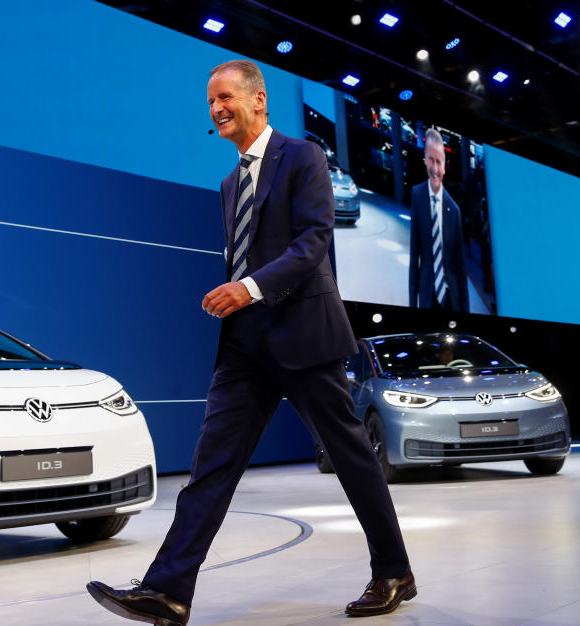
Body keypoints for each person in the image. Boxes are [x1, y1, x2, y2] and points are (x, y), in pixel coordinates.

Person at [86, 60, 414, 625]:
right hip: (244, 346)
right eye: (209, 103)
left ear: (258, 100)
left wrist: (249, 289)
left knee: (352, 458)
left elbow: (313, 243)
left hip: (304, 335)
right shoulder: (229, 183)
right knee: (211, 467)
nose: (216, 110)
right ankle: (167, 591)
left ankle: (394, 571)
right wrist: (240, 298)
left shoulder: (303, 157)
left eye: (225, 98)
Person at [408, 128, 469, 312]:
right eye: (431, 160)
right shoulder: (417, 195)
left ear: (444, 166)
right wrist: (412, 304)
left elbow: (460, 269)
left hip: (452, 299)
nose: (435, 168)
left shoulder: (455, 210)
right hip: (428, 295)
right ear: (425, 160)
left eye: (439, 162)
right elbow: (414, 256)